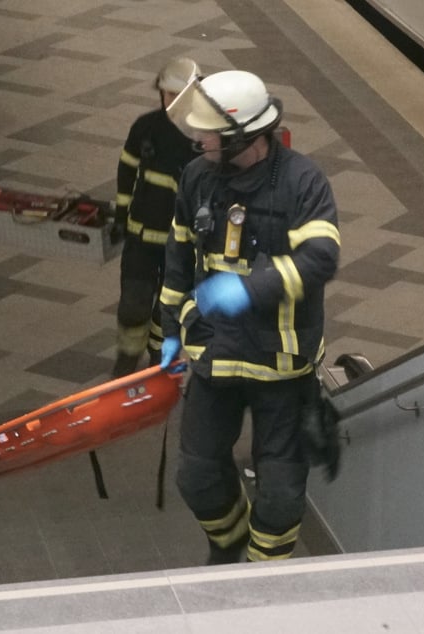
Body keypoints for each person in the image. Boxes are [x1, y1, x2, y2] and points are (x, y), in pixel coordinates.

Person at [158, 70, 340, 564]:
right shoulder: (197, 178)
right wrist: (171, 331)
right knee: (196, 477)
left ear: (242, 136)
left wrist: (247, 289)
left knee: (280, 495)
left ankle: (263, 582)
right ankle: (229, 544)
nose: (199, 138)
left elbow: (321, 258)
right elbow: (178, 259)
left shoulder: (303, 182)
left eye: (209, 132)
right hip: (214, 358)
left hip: (281, 369)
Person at [110, 58, 199, 377]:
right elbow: (126, 171)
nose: (169, 101)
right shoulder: (145, 127)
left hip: (180, 243)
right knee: (133, 303)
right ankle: (126, 361)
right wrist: (120, 216)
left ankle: (159, 357)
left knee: (168, 307)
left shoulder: (203, 137)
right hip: (142, 235)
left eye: (176, 95)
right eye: (165, 94)